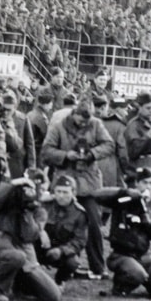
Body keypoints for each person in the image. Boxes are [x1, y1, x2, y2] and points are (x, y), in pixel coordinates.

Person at [41, 98, 116, 278]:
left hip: (88, 182)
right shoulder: (58, 126)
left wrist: (92, 154)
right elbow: (46, 151)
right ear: (73, 114)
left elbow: (109, 145)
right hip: (64, 182)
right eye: (81, 121)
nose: (84, 124)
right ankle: (62, 262)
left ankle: (98, 267)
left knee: (94, 225)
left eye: (86, 121)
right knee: (59, 224)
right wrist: (66, 155)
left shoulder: (96, 124)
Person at [0, 175, 62, 301]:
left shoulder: (36, 213)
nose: (30, 194)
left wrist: (31, 217)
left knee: (53, 295)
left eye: (34, 190)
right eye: (27, 190)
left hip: (23, 260)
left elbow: (29, 239)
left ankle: (19, 286)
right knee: (17, 256)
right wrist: (13, 184)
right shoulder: (3, 207)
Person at [99, 169, 151, 300]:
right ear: (137, 183)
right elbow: (97, 195)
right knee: (137, 274)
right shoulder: (123, 201)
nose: (148, 187)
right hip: (122, 254)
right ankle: (120, 286)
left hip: (145, 256)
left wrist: (150, 226)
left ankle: (143, 279)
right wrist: (125, 192)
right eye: (144, 183)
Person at [36, 174, 89, 285]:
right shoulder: (45, 205)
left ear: (73, 193)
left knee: (73, 262)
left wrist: (61, 251)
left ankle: (59, 281)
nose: (61, 196)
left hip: (61, 251)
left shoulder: (79, 213)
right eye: (58, 191)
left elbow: (80, 241)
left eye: (65, 192)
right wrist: (41, 231)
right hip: (40, 247)